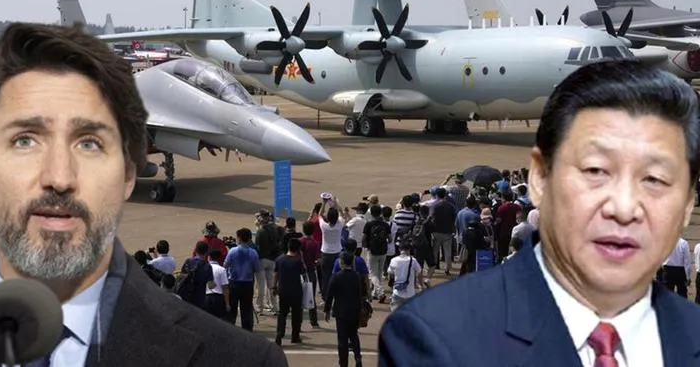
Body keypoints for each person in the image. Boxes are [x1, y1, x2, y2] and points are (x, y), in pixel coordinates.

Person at [0, 23, 287, 366]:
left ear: (129, 172)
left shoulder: (246, 360)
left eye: (89, 143)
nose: (59, 178)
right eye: (25, 141)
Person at [378, 60, 700, 366]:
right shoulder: (434, 338)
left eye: (656, 180)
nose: (623, 208)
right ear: (540, 178)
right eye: (595, 171)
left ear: (687, 203)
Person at [325, 251, 364, 367]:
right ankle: (358, 357)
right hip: (354, 311)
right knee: (354, 335)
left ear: (341, 262)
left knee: (342, 340)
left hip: (341, 312)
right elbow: (360, 294)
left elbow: (329, 294)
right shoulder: (356, 276)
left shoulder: (336, 276)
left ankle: (343, 363)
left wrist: (327, 310)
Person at [225, 227, 261, 331]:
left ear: (239, 238)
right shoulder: (253, 253)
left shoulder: (232, 251)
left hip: (234, 283)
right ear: (249, 239)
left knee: (232, 309)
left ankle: (230, 329)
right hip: (247, 284)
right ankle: (247, 331)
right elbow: (257, 268)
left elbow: (226, 265)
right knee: (246, 309)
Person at [273, 238, 306, 346]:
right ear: (298, 249)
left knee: (282, 313)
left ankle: (279, 333)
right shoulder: (297, 261)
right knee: (296, 314)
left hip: (283, 290)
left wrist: (274, 287)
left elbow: (276, 274)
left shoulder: (279, 259)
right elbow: (303, 272)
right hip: (296, 291)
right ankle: (295, 336)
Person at [205, 248, 230, 319]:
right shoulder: (222, 270)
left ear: (209, 257)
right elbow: (225, 288)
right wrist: (227, 304)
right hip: (218, 299)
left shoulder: (204, 268)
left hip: (206, 297)